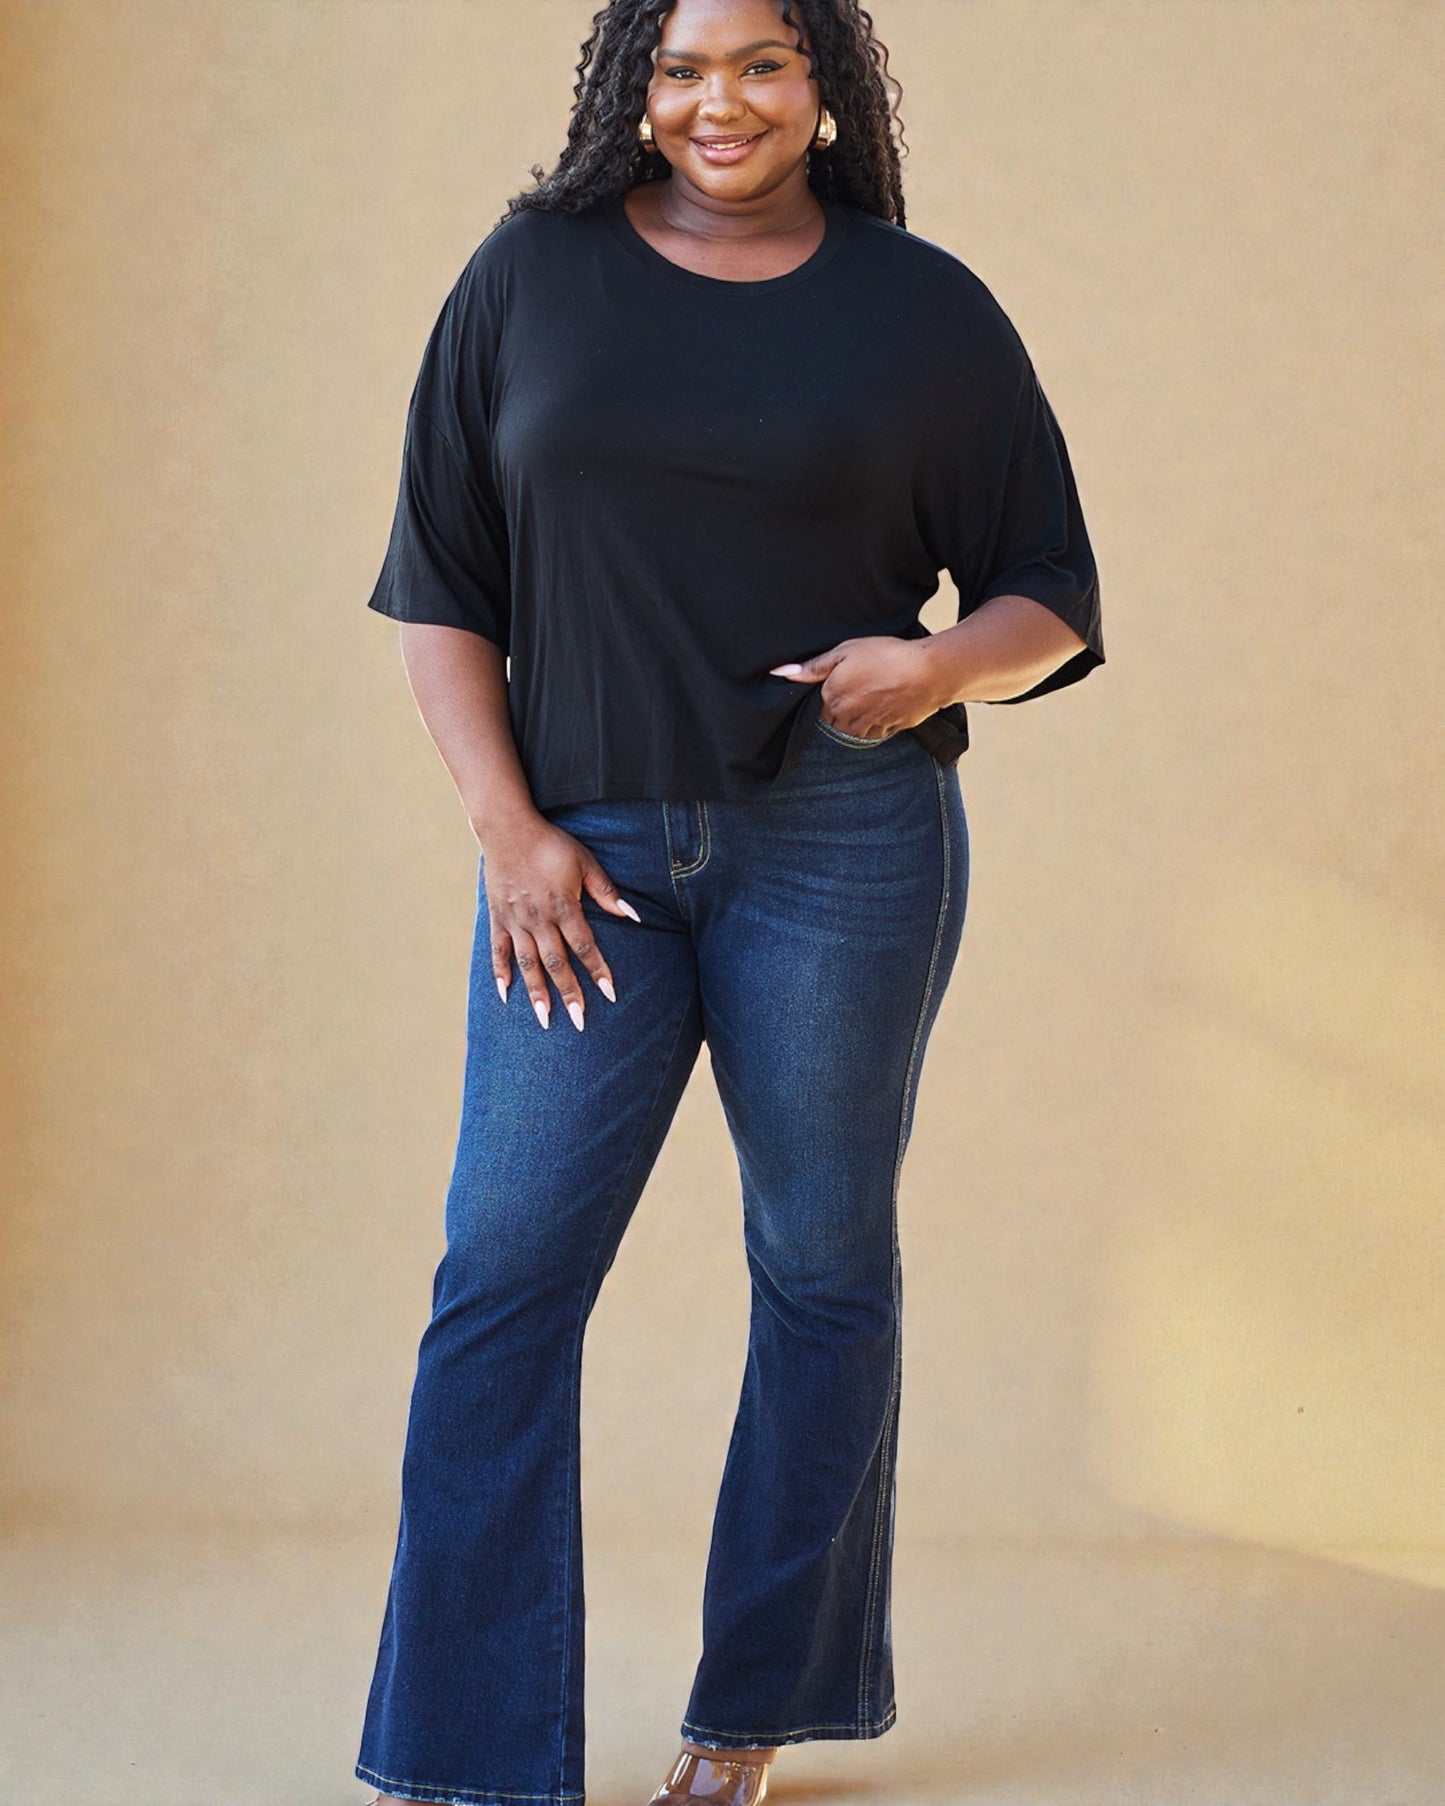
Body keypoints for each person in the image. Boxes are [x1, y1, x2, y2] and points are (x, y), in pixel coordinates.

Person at [355, 2, 1104, 1803]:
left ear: (825, 93)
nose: (719, 101)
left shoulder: (921, 307)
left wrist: (927, 672)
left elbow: (1049, 590)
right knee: (505, 1269)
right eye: (681, 66)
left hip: (843, 845)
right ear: (634, 86)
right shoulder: (525, 278)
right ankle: (467, 1754)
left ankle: (751, 1717)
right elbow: (440, 579)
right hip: (579, 859)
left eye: (763, 62)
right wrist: (507, 828)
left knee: (823, 1258)